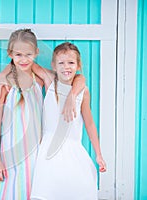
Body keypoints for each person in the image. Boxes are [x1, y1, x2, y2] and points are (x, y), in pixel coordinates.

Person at [30, 42, 106, 200]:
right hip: (49, 150)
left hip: (73, 149)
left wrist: (98, 154)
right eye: (61, 63)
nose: (66, 67)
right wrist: (2, 76)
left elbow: (89, 123)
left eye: (71, 62)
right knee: (49, 191)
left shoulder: (83, 92)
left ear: (78, 65)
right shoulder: (50, 81)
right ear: (53, 65)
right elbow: (25, 63)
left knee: (79, 188)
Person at [0, 28, 44, 200]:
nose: (23, 59)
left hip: (35, 151)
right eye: (18, 54)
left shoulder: (40, 81)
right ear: (10, 54)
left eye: (28, 54)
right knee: (11, 192)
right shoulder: (5, 84)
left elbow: (71, 79)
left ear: (36, 53)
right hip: (10, 152)